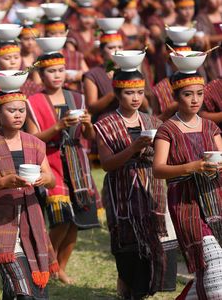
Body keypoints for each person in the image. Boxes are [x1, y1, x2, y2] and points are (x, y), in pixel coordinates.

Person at [95, 70, 176, 299]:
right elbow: (107, 164)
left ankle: (138, 292)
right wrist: (132, 148)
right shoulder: (105, 124)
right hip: (122, 196)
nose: (135, 98)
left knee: (150, 253)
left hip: (151, 194)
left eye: (139, 92)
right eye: (129, 93)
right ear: (117, 94)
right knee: (128, 253)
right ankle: (127, 286)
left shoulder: (153, 121)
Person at [0, 90, 58, 299]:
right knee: (22, 288)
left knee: (25, 288)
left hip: (31, 215)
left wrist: (44, 179)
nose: (18, 115)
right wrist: (3, 182)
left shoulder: (35, 143)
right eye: (11, 111)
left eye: (21, 110)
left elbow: (52, 179)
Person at [26, 53, 100, 285]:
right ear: (41, 74)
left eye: (60, 70)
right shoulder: (33, 101)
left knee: (74, 221)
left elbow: (90, 136)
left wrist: (88, 124)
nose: (57, 75)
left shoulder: (76, 98)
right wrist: (58, 126)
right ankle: (49, 263)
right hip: (51, 161)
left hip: (77, 162)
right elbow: (32, 138)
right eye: (51, 71)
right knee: (61, 219)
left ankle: (61, 268)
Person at [153, 71, 222, 299]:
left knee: (213, 272)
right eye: (188, 94)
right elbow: (158, 169)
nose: (195, 100)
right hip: (186, 205)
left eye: (200, 94)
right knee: (214, 269)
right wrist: (192, 167)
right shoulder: (167, 130)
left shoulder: (211, 127)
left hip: (216, 199)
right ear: (176, 96)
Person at [0, 41, 42, 133]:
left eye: (16, 57)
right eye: (7, 58)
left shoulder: (31, 86)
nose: (13, 62)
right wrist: (4, 112)